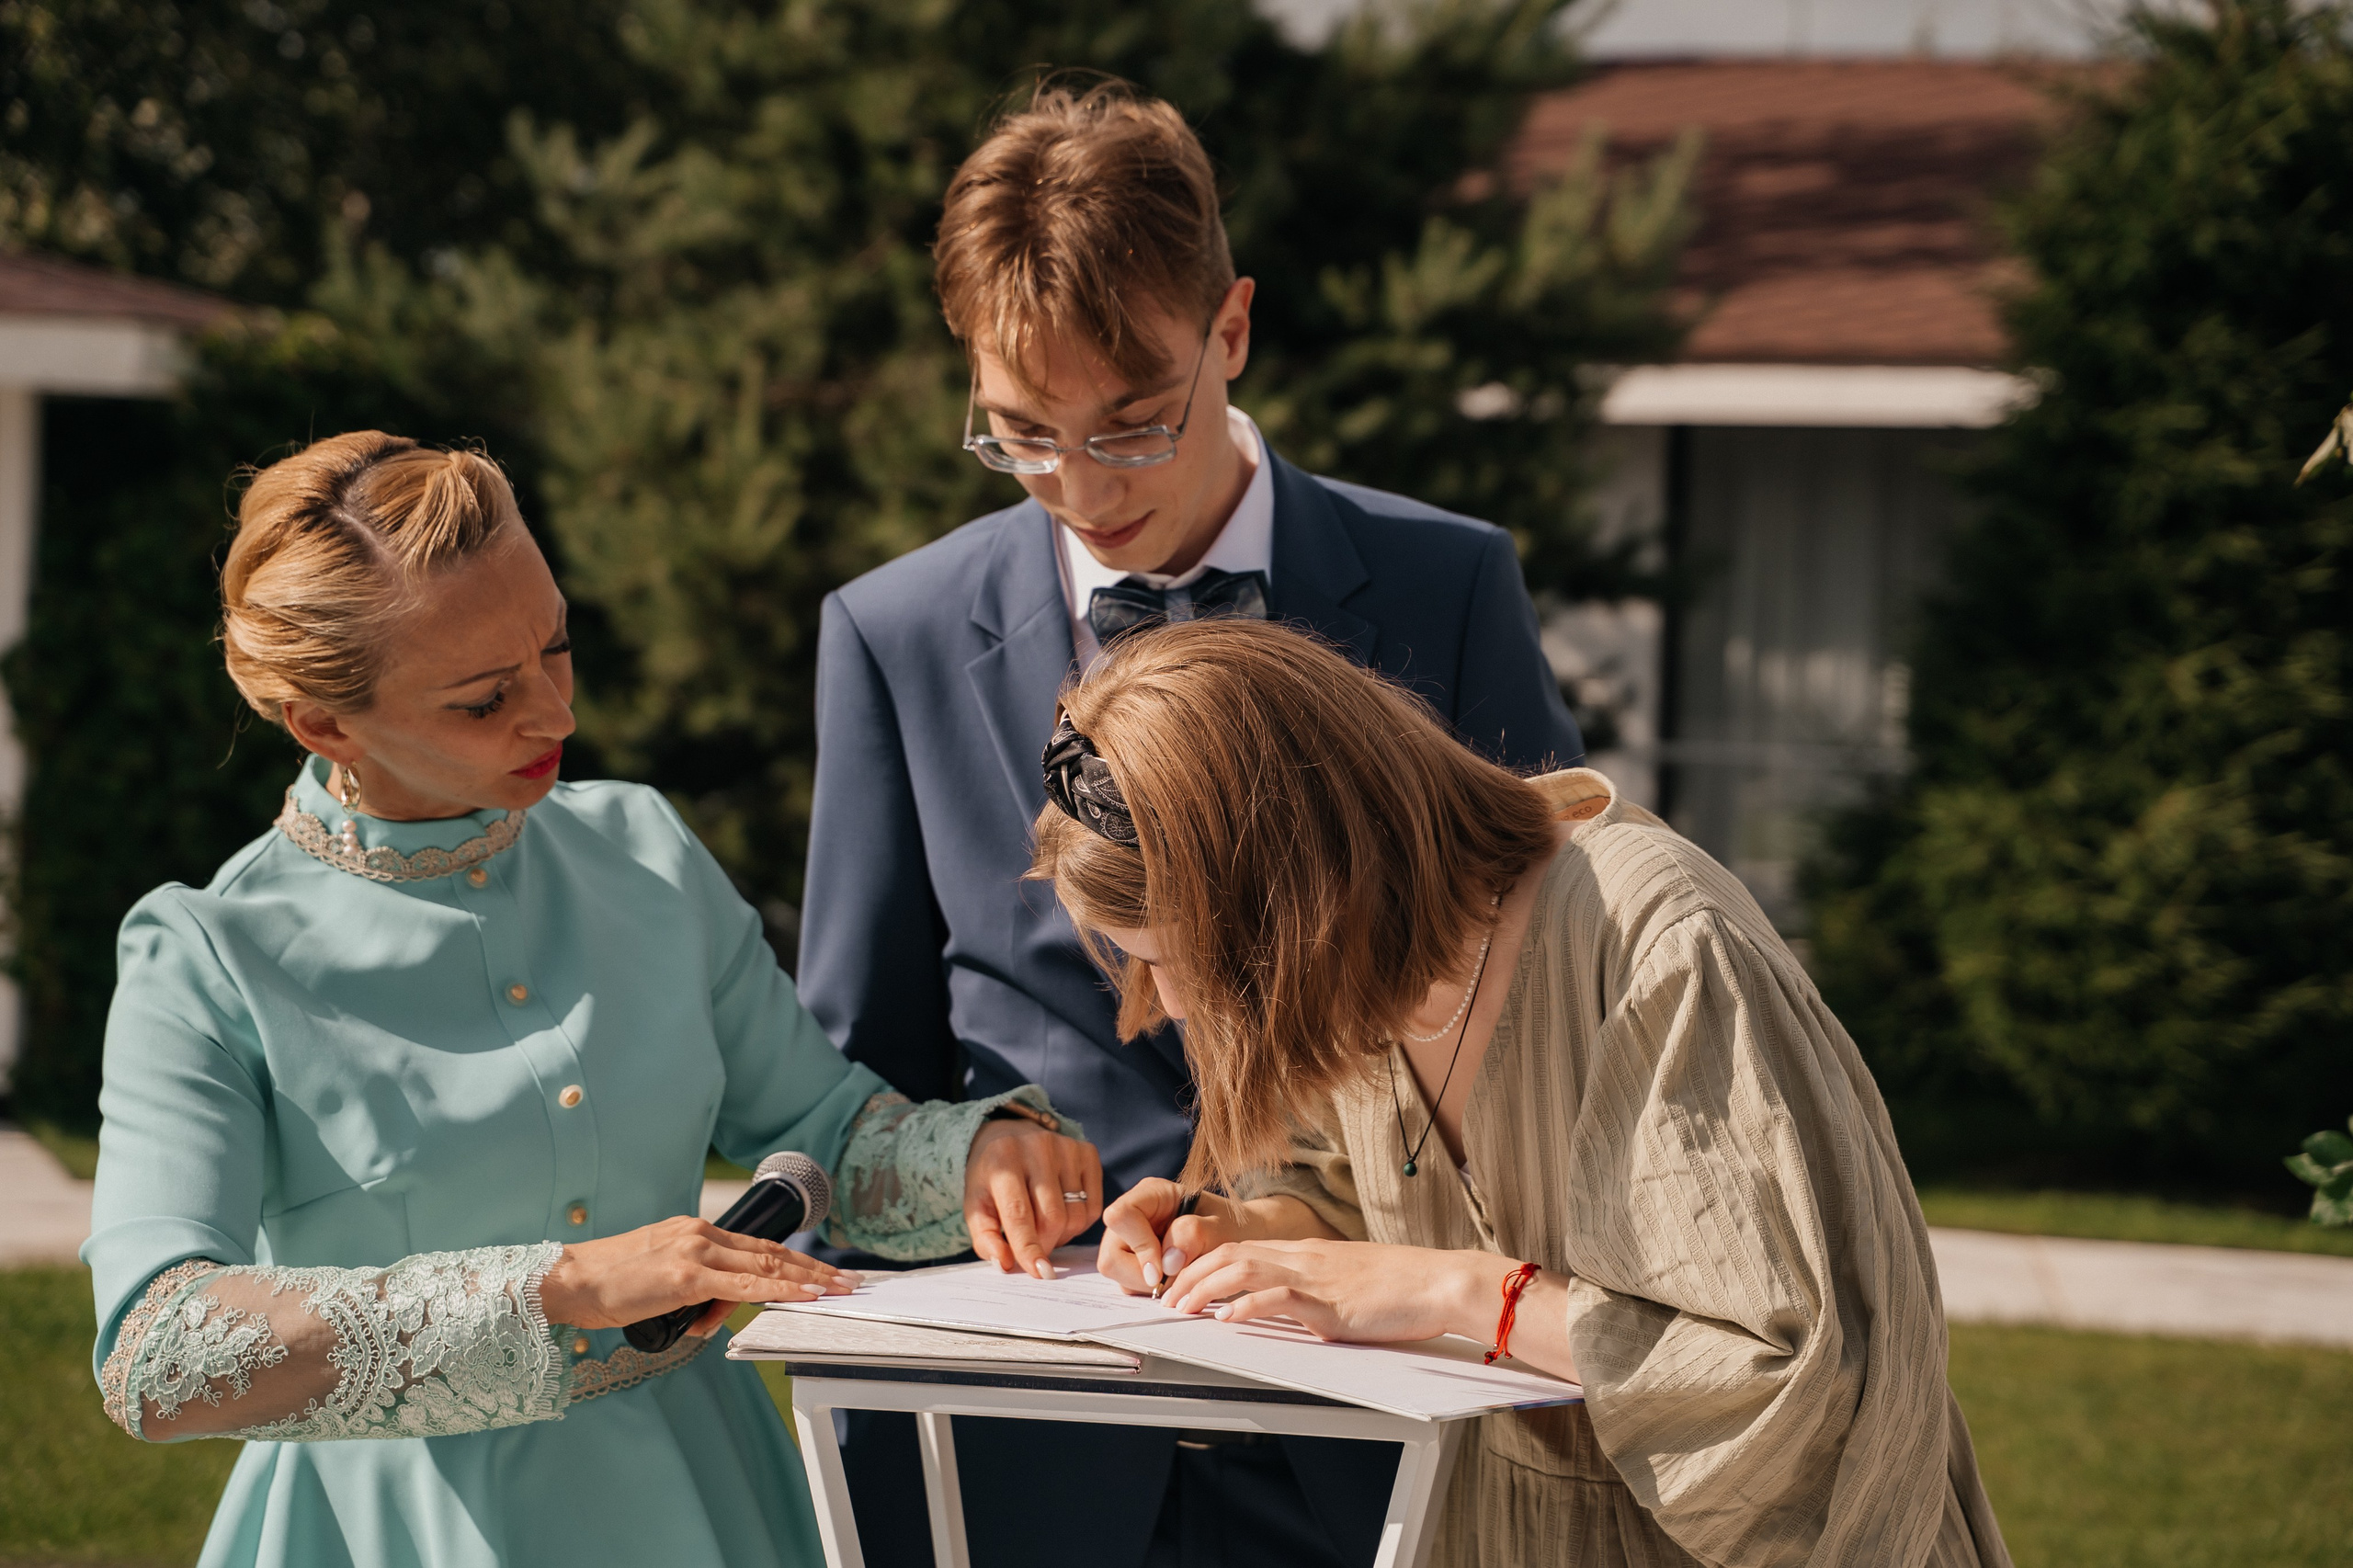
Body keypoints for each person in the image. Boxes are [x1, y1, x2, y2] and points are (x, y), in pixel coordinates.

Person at [798, 81, 1583, 1568]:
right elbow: (846, 1085)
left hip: (1379, 1426)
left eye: (1133, 424)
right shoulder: (893, 637)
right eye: (1021, 437)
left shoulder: (1450, 590)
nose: (1081, 489)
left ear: (1231, 329)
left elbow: (1550, 1011)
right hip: (1021, 1450)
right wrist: (960, 1151)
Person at [83, 432, 1103, 1568]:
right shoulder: (208, 954)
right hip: (396, 1531)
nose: (555, 714)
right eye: (484, 700)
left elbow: (824, 1131)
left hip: (704, 1492)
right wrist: (561, 1286)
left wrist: (975, 1158)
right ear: (323, 723)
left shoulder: (644, 847)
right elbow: (158, 1351)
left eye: (557, 645)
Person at [1036, 619, 2013, 1568]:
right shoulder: (1369, 962)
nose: (1170, 1002)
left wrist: (1460, 1289)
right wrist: (1247, 1237)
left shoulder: (1658, 944)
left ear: (1301, 892)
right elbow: (1360, 1196)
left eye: (1181, 957)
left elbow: (1779, 1383)